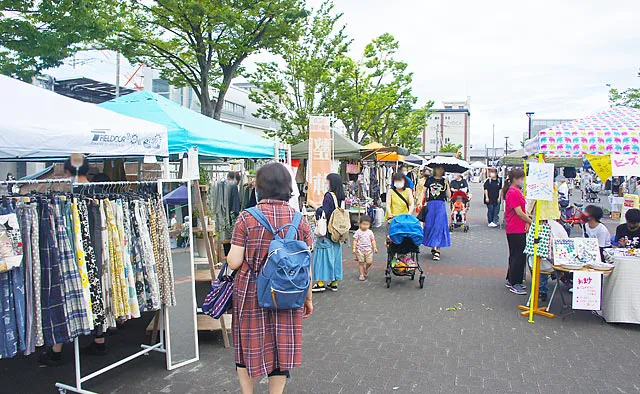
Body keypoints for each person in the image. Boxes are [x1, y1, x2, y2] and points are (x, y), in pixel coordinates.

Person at [227, 162, 313, 394]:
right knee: (281, 349)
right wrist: (308, 298)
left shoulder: (247, 218)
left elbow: (234, 262)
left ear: (259, 187)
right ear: (288, 186)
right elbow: (306, 267)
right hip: (288, 290)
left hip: (251, 291)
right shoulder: (299, 220)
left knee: (248, 345)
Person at [312, 173, 345, 292]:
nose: (326, 184)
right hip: (338, 231)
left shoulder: (328, 196)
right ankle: (334, 282)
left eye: (327, 181)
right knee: (336, 256)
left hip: (327, 231)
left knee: (321, 257)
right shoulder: (341, 196)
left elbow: (324, 213)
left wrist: (315, 207)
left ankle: (320, 283)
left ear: (331, 182)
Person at [503, 168, 532, 295]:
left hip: (517, 227)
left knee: (517, 254)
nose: (523, 181)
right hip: (515, 228)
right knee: (518, 255)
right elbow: (519, 212)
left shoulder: (516, 191)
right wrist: (531, 221)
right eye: (521, 179)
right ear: (515, 179)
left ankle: (513, 280)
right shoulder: (513, 192)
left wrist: (526, 221)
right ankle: (515, 282)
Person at [420, 165, 451, 261]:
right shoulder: (429, 180)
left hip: (440, 204)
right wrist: (420, 202)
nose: (440, 170)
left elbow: (449, 195)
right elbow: (424, 192)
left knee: (439, 225)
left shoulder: (444, 181)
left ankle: (437, 249)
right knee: (430, 225)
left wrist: (447, 184)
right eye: (439, 168)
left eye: (442, 169)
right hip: (431, 204)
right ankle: (433, 245)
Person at [352, 215, 378, 281]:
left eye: (367, 224)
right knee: (361, 262)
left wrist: (375, 247)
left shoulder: (370, 232)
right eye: (363, 224)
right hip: (360, 250)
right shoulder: (358, 232)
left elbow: (373, 240)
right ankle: (361, 274)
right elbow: (355, 240)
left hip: (368, 250)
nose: (365, 226)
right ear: (360, 224)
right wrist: (354, 248)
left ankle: (366, 268)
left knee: (369, 262)